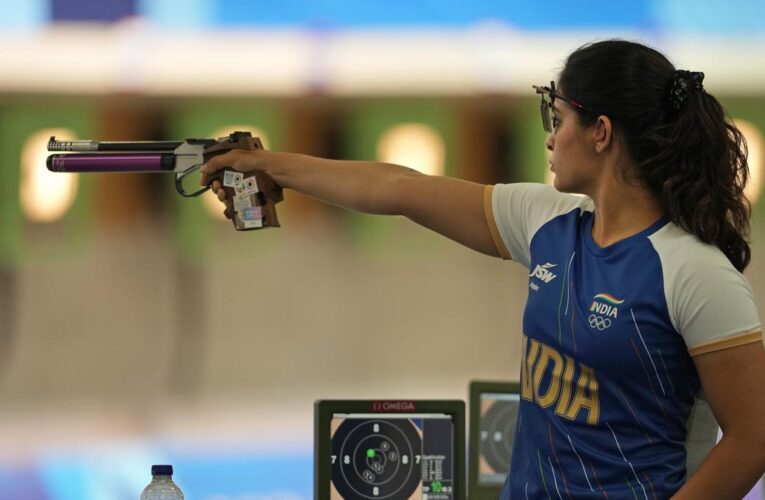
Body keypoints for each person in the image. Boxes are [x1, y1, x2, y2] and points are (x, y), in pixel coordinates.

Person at [201, 39, 765, 499]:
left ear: (601, 132)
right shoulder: (550, 220)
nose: (549, 134)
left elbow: (752, 439)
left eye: (559, 115)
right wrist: (268, 165)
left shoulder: (693, 271)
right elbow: (399, 188)